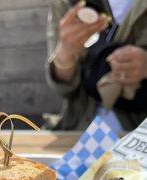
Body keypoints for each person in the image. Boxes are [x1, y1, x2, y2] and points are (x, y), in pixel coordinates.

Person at [45, 0, 147, 132]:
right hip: (79, 133)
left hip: (138, 135)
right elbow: (63, 89)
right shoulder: (64, 3)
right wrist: (65, 55)